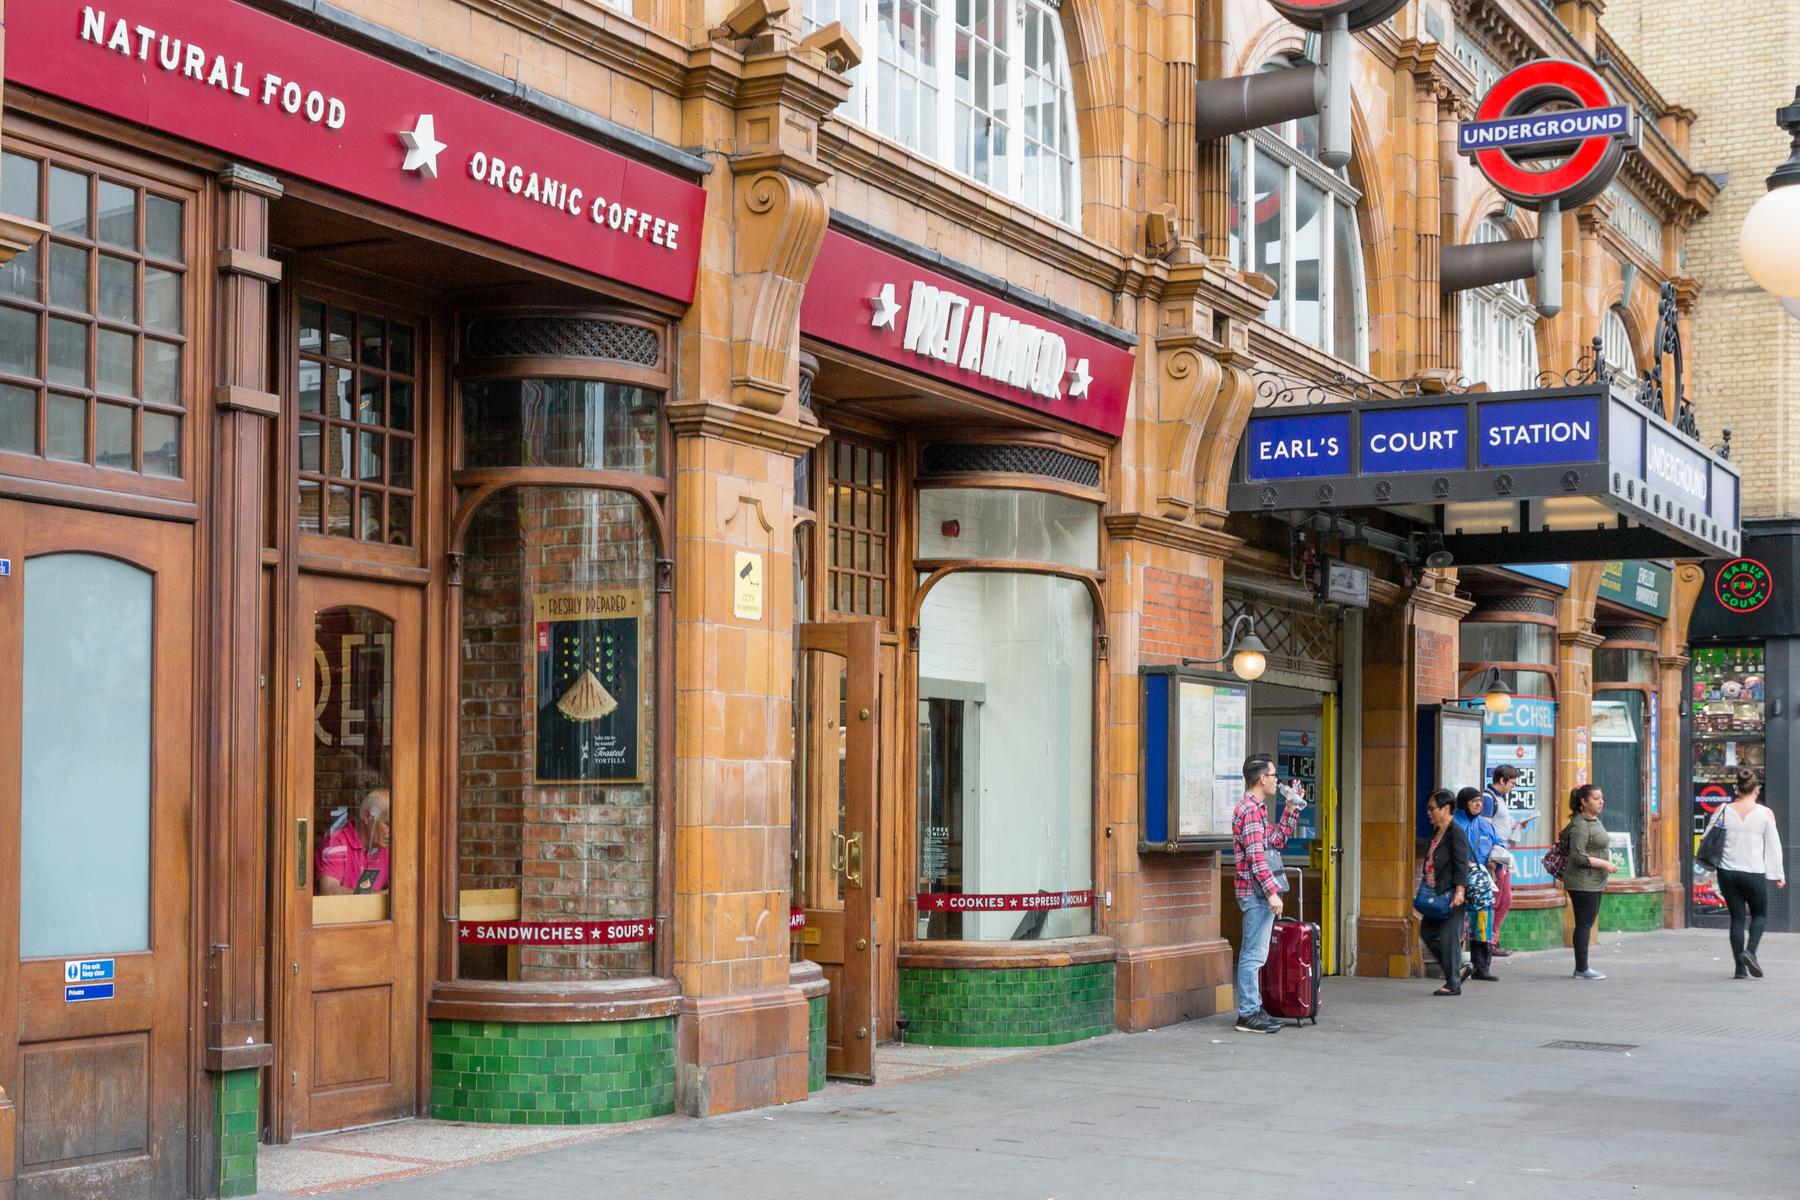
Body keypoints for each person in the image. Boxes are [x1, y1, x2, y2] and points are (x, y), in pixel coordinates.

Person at [1232, 753, 1305, 1034]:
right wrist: (1272, 892)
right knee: (1253, 955)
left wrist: (1291, 809)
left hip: (1257, 891)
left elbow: (1275, 841)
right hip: (1255, 893)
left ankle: (1253, 1008)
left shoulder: (1256, 809)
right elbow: (1256, 856)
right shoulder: (1250, 810)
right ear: (1262, 779)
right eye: (1274, 775)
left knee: (1256, 953)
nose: (1277, 781)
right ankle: (1248, 1013)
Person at [1715, 768, 1786, 979]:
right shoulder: (1765, 813)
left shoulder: (1722, 809)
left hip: (1727, 871)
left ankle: (1740, 969)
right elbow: (1773, 845)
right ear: (1756, 789)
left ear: (1737, 789)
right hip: (1753, 872)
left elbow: (1710, 837)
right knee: (1760, 915)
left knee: (1737, 918)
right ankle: (1750, 953)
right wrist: (1778, 874)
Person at [1560, 784, 1616, 980]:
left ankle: (1582, 968)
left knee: (1587, 922)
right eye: (1596, 798)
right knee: (1584, 923)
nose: (1601, 802)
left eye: (1601, 798)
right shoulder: (1581, 825)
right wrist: (1605, 864)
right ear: (1584, 802)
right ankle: (1581, 969)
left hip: (1594, 880)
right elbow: (1578, 856)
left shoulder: (1593, 820)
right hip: (1582, 882)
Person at [1420, 789, 1470, 995]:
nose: (1429, 812)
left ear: (1446, 809)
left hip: (1451, 895)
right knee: (1427, 932)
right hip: (1437, 894)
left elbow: (1461, 863)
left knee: (1449, 938)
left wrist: (1460, 891)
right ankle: (1457, 970)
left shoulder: (1455, 832)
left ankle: (1453, 984)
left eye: (1432, 808)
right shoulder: (1438, 832)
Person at [1482, 764, 1533, 956]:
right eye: (1512, 783)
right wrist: (1490, 856)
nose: (1513, 787)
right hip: (1495, 856)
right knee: (1496, 899)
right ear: (1502, 780)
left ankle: (1493, 939)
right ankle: (1488, 942)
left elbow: (1501, 825)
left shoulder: (1500, 799)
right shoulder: (1488, 798)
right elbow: (1486, 828)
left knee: (1505, 899)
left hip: (1503, 854)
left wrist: (1517, 824)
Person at [1454, 787, 1501, 982]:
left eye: (1480, 800)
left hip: (1480, 882)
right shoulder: (1454, 823)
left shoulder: (1485, 825)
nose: (1478, 804)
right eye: (1474, 801)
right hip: (1457, 882)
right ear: (1464, 803)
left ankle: (1481, 967)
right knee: (1457, 925)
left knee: (1482, 923)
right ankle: (1454, 968)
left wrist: (1496, 859)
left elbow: (1499, 844)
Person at [316, 790, 392, 896]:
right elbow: (329, 892)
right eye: (388, 824)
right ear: (367, 816)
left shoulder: (385, 847)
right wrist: (383, 896)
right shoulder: (336, 843)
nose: (393, 832)